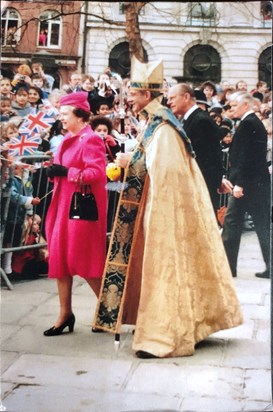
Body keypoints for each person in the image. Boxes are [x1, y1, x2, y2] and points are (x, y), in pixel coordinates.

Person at [93, 56, 243, 359]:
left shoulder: (164, 128)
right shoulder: (156, 123)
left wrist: (128, 162)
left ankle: (163, 333)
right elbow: (149, 158)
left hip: (166, 211)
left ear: (147, 95)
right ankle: (154, 322)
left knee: (164, 267)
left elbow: (164, 170)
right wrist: (131, 158)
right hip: (154, 206)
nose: (131, 100)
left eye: (135, 94)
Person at [43, 91, 107, 336]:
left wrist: (66, 171)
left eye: (65, 114)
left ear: (80, 115)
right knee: (61, 259)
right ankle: (65, 313)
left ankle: (109, 308)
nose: (62, 118)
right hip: (64, 206)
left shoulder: (90, 139)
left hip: (81, 209)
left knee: (84, 260)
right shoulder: (67, 138)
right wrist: (55, 171)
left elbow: (96, 174)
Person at [221, 92, 271, 279]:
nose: (231, 108)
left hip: (247, 184)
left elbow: (247, 157)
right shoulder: (252, 123)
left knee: (232, 223)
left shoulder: (249, 123)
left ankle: (228, 266)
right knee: (261, 225)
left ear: (246, 106)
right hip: (255, 183)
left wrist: (239, 184)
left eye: (234, 105)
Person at [167, 83, 224, 216]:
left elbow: (207, 160)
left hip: (201, 188)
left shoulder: (200, 120)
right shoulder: (190, 119)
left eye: (172, 98)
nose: (169, 102)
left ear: (186, 97)